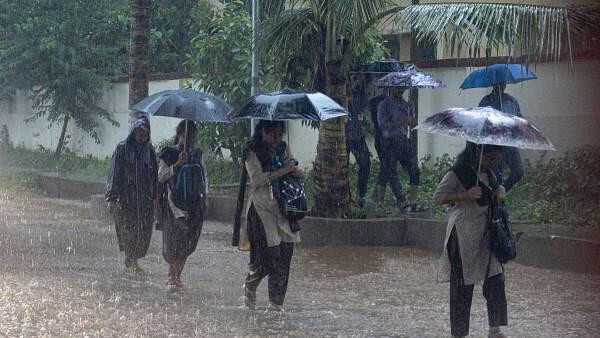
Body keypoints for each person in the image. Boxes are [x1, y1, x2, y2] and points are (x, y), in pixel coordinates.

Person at [433, 142, 508, 338]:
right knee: (462, 285)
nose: (492, 163)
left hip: (486, 232)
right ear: (477, 151)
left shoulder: (492, 173)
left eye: (496, 159)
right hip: (462, 234)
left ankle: (495, 329)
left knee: (496, 278)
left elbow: (492, 194)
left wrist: (500, 190)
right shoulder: (458, 172)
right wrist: (465, 195)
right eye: (489, 158)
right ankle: (459, 334)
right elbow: (438, 197)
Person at [235, 120, 302, 312]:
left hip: (283, 206)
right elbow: (257, 180)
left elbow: (295, 170)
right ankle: (251, 284)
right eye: (273, 135)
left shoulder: (283, 148)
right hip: (261, 207)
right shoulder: (251, 151)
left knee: (286, 254)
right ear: (263, 131)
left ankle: (275, 304)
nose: (276, 139)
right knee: (270, 256)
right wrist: (283, 171)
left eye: (280, 134)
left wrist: (295, 170)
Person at [157, 120, 206, 290]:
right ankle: (171, 275)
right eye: (186, 136)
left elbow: (203, 178)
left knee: (188, 241)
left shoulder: (198, 154)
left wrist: (204, 198)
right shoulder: (169, 153)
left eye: (192, 136)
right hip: (174, 205)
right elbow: (161, 176)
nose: (189, 139)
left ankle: (178, 276)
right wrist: (177, 164)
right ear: (179, 135)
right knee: (175, 240)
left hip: (194, 205)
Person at [105, 116, 157, 274]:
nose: (142, 136)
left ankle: (132, 258)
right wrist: (112, 197)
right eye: (139, 132)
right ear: (134, 132)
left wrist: (155, 197)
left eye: (145, 133)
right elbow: (114, 173)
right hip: (125, 198)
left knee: (143, 231)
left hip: (144, 200)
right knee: (128, 231)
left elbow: (154, 176)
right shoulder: (122, 148)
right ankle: (131, 260)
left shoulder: (150, 151)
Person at [376, 87, 426, 212]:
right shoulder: (384, 105)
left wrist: (412, 111)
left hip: (403, 139)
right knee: (389, 171)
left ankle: (412, 201)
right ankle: (390, 202)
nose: (400, 91)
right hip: (390, 140)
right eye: (397, 89)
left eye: (402, 89)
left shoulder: (404, 104)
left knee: (414, 169)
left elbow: (410, 123)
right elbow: (382, 125)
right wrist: (402, 122)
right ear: (391, 89)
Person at [479, 82, 524, 192]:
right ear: (493, 85)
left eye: (503, 83)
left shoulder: (511, 100)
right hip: (493, 145)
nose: (501, 85)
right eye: (498, 83)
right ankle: (495, 201)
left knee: (518, 171)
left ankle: (502, 191)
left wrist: (517, 128)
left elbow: (519, 119)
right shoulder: (486, 101)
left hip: (509, 142)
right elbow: (481, 121)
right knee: (495, 176)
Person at [369, 93, 405, 206]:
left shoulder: (400, 103)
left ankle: (378, 197)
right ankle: (400, 198)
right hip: (383, 140)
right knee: (389, 168)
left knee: (387, 168)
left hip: (394, 139)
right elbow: (382, 124)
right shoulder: (379, 103)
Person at [346, 74, 371, 207]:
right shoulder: (342, 93)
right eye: (355, 78)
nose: (358, 82)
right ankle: (346, 195)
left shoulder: (360, 94)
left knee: (366, 163)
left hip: (356, 135)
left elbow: (360, 110)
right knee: (342, 167)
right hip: (342, 135)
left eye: (360, 78)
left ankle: (360, 195)